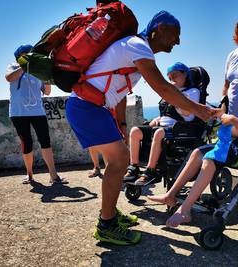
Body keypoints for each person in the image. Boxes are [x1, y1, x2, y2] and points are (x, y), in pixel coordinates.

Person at [65, 11, 216, 245]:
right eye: (175, 35)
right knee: (119, 161)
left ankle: (111, 215)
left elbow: (120, 91)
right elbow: (163, 89)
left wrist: (121, 123)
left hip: (94, 108)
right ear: (159, 29)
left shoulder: (134, 49)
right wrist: (199, 109)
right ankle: (106, 225)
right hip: (87, 107)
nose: (177, 41)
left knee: (119, 161)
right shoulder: (138, 46)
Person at [149, 62, 238, 227]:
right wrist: (221, 118)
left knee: (210, 159)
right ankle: (170, 195)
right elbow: (237, 132)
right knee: (198, 152)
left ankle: (185, 210)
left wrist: (234, 120)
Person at [123, 62, 201, 186]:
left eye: (175, 76)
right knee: (135, 131)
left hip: (181, 129)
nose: (172, 80)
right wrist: (158, 118)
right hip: (164, 127)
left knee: (159, 133)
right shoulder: (172, 93)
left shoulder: (192, 91)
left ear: (185, 74)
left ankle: (150, 171)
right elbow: (168, 112)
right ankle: (134, 167)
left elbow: (187, 112)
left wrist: (174, 95)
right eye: (169, 78)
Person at [5, 44, 67, 185]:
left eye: (32, 53)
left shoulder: (36, 72)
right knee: (26, 143)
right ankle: (30, 175)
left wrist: (45, 74)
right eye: (27, 54)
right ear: (20, 56)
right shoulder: (13, 66)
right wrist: (25, 66)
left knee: (45, 141)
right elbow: (9, 78)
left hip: (37, 111)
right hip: (18, 113)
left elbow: (47, 92)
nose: (30, 56)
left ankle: (54, 175)